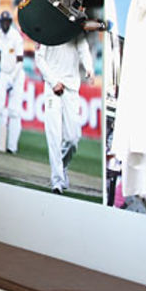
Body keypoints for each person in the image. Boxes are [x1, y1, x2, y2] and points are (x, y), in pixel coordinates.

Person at [35, 34, 94, 193]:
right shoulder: (47, 28)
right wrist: (53, 81)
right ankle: (57, 181)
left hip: (71, 88)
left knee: (73, 138)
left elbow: (83, 48)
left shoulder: (74, 28)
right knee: (54, 135)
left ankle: (62, 167)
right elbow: (39, 58)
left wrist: (89, 67)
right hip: (52, 88)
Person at [0, 10, 25, 154]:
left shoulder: (16, 37)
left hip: (17, 75)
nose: (5, 24)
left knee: (14, 111)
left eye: (7, 22)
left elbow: (20, 60)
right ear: (0, 23)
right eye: (2, 22)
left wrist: (13, 77)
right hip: (4, 73)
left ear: (10, 23)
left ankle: (12, 146)